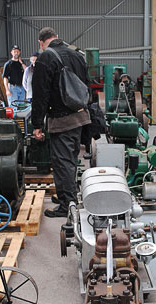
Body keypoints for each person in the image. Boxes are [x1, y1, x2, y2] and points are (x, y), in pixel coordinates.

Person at [31, 27, 91, 218]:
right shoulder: (77, 54)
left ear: (41, 42)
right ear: (56, 37)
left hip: (61, 119)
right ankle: (68, 195)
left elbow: (40, 94)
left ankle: (68, 204)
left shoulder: (45, 58)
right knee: (70, 159)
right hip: (80, 116)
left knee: (62, 162)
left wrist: (37, 124)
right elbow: (87, 84)